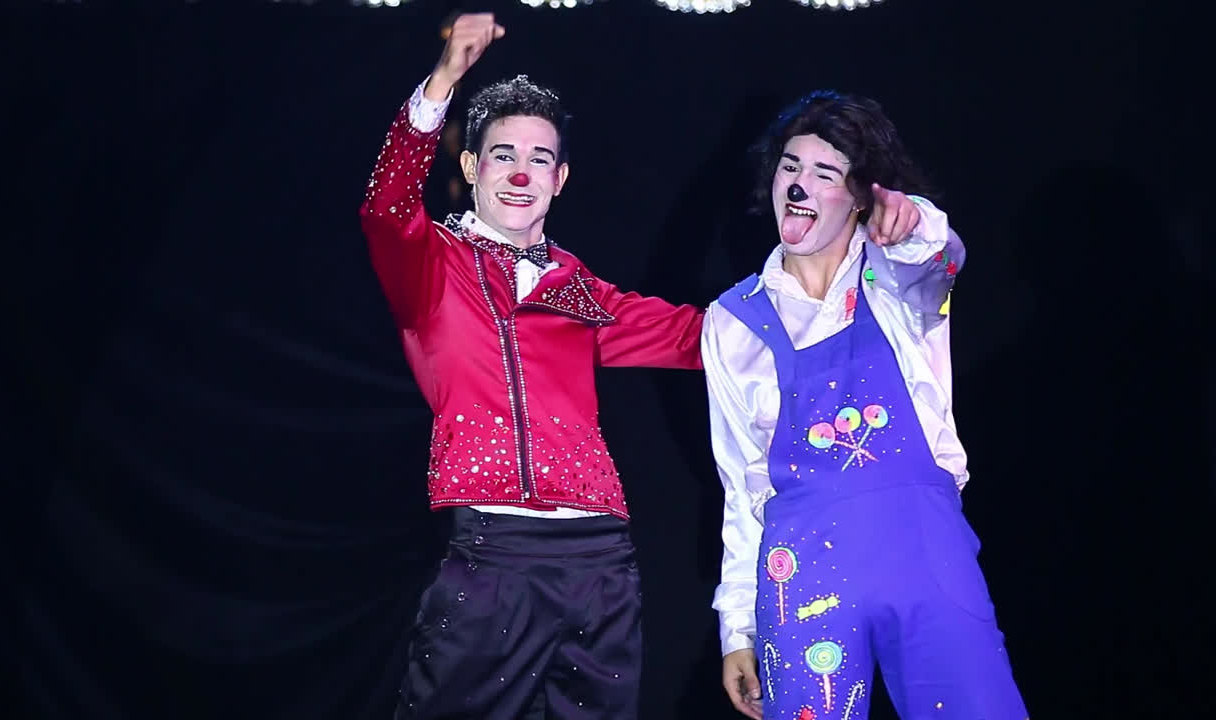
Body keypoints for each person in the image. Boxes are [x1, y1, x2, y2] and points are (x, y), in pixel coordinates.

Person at [359, 14, 704, 720]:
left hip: (601, 559)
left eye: (540, 158)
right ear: (471, 168)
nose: (521, 173)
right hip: (493, 555)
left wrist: (822, 284)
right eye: (503, 154)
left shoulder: (578, 289)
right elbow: (387, 207)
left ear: (560, 178)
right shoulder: (433, 266)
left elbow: (699, 338)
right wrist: (443, 81)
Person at [702, 90, 1028, 719]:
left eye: (825, 173)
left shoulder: (896, 279)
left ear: (858, 196)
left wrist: (911, 220)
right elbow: (741, 482)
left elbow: (941, 257)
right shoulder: (732, 320)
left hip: (924, 554)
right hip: (803, 569)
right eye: (790, 167)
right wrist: (736, 625)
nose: (799, 184)